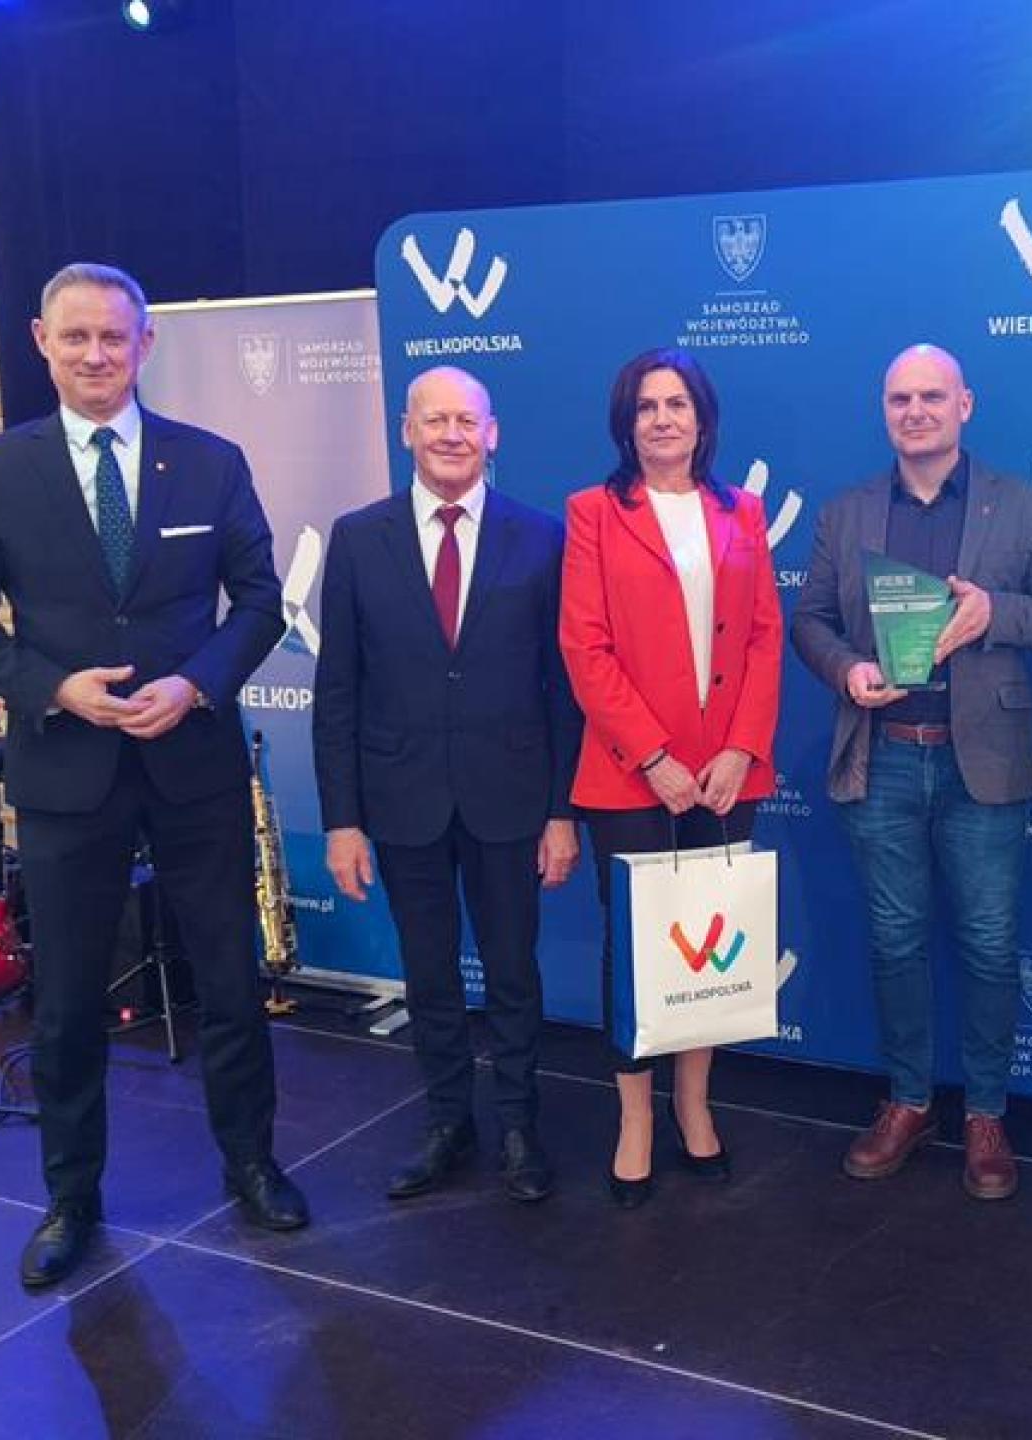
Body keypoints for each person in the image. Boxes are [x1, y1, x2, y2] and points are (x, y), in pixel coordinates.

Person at [0, 262, 308, 1289]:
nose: (96, 354)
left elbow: (259, 601)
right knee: (64, 1003)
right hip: (66, 771)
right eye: (76, 336)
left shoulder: (211, 460)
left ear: (146, 344)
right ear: (41, 342)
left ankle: (253, 1162)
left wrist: (197, 683)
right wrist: (53, 688)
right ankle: (71, 1199)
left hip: (193, 763)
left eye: (113, 337)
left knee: (229, 980)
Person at [791, 343, 1032, 1201]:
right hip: (882, 754)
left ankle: (986, 1113)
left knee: (991, 945)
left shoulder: (1019, 505)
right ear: (884, 411)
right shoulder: (846, 512)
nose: (915, 411)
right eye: (900, 399)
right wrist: (847, 669)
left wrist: (996, 613)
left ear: (965, 405)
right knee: (895, 940)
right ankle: (910, 1100)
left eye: (932, 396)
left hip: (981, 763)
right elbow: (809, 620)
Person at [313, 365, 583, 1205]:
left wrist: (562, 812)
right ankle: (446, 1123)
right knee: (429, 974)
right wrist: (342, 821)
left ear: (492, 433)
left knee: (512, 974)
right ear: (408, 431)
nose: (452, 435)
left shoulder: (541, 537)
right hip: (402, 801)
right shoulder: (358, 538)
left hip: (512, 799)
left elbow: (563, 689)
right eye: (435, 420)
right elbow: (338, 690)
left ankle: (518, 1126)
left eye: (467, 420)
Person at [559, 347, 782, 1208]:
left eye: (677, 404)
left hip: (726, 774)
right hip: (631, 775)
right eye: (647, 405)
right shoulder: (593, 513)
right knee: (637, 949)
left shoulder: (742, 511)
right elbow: (585, 645)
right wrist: (652, 756)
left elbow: (763, 636)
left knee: (710, 941)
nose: (662, 418)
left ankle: (694, 1106)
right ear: (627, 422)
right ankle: (635, 1121)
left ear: (701, 419)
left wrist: (739, 749)